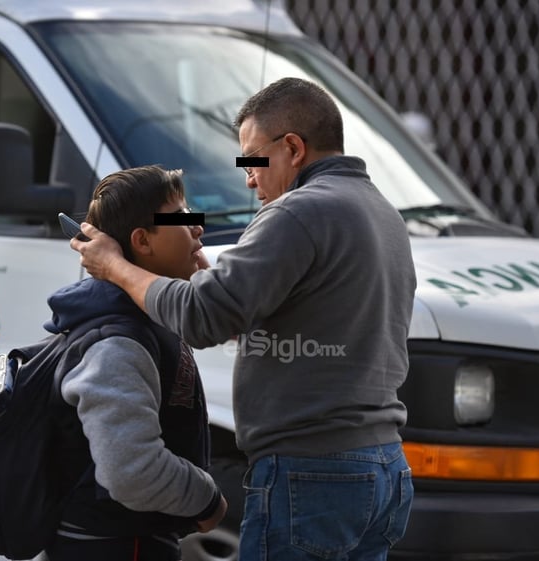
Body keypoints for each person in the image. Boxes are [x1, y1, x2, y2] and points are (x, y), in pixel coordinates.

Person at [72, 77, 417, 560]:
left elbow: (200, 318)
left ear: (292, 148)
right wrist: (222, 287)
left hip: (313, 472)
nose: (248, 178)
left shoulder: (299, 213)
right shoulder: (380, 212)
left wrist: (114, 266)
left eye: (253, 160)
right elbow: (302, 320)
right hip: (382, 468)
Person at [44, 165, 227, 561]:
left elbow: (221, 319)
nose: (198, 228)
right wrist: (207, 499)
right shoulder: (117, 343)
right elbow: (131, 471)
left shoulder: (150, 315)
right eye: (181, 219)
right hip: (112, 546)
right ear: (142, 241)